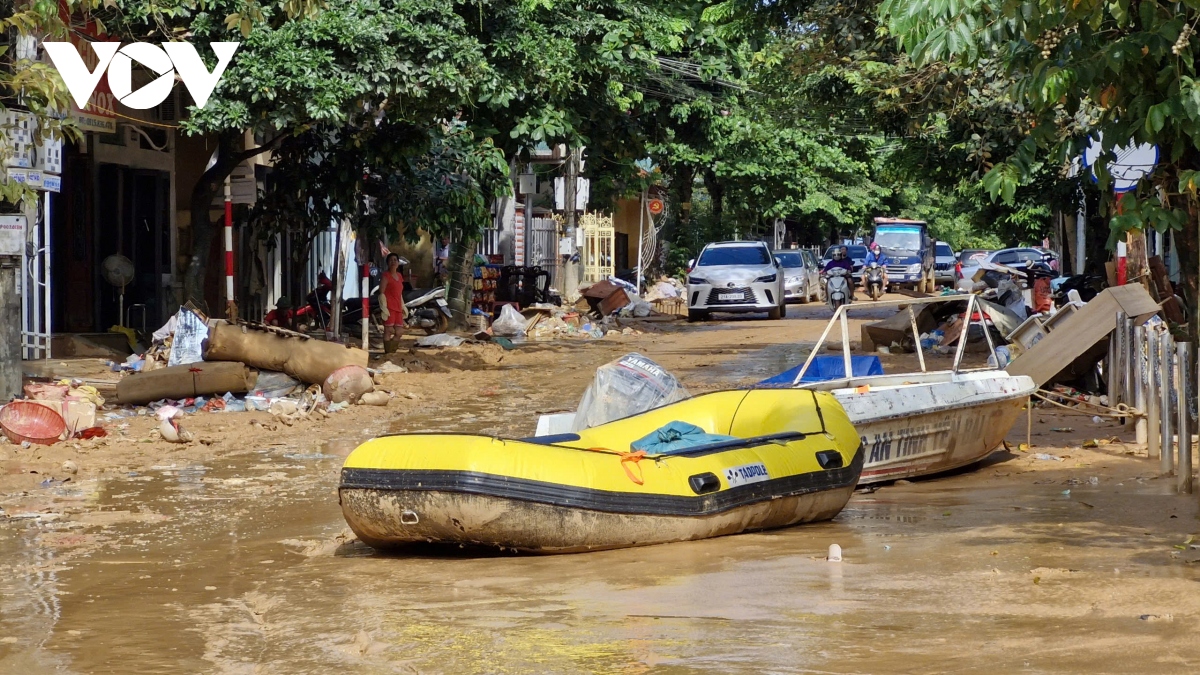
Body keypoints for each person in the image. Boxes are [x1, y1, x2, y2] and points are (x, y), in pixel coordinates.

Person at [378, 253, 406, 350]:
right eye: (391, 260)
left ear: (398, 263)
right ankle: (388, 353)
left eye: (395, 260)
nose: (393, 262)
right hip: (389, 307)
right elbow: (381, 293)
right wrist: (383, 308)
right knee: (388, 330)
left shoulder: (399, 275)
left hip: (398, 307)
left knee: (399, 332)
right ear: (387, 263)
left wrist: (403, 306)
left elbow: (400, 293)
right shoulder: (386, 276)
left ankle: (392, 350)